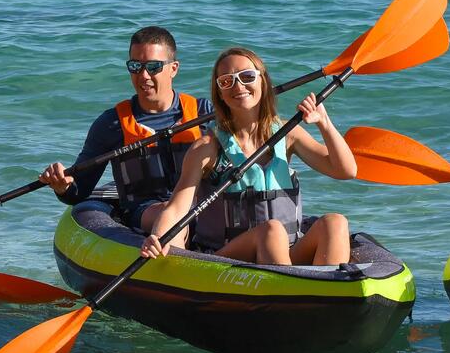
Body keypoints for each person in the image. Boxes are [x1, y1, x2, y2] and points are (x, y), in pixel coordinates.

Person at [140, 47, 359, 266]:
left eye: (247, 77)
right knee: (272, 231)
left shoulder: (287, 134)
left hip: (286, 254)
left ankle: (327, 291)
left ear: (263, 81)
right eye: (227, 81)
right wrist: (158, 237)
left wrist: (324, 124)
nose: (238, 86)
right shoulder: (207, 147)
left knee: (335, 222)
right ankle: (291, 294)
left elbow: (345, 170)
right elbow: (177, 207)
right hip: (226, 260)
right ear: (220, 94)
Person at [39, 26, 206, 233]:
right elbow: (79, 191)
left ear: (174, 68)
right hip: (146, 211)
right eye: (136, 66)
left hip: (202, 208)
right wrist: (62, 186)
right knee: (169, 214)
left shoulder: (204, 114)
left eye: (153, 67)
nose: (143, 75)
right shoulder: (112, 124)